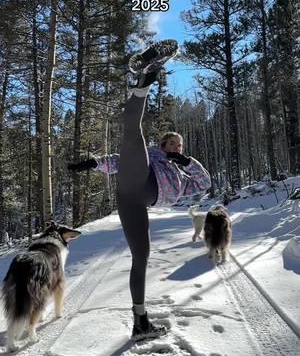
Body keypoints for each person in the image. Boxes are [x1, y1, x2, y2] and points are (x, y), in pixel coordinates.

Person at [68, 39, 211, 341]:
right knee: (132, 135)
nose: (176, 147)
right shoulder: (154, 156)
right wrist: (93, 164)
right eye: (171, 144)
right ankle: (143, 81)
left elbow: (204, 185)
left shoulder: (185, 170)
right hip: (139, 179)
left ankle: (140, 321)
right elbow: (121, 159)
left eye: (179, 145)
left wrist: (186, 161)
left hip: (135, 202)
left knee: (141, 256)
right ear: (161, 147)